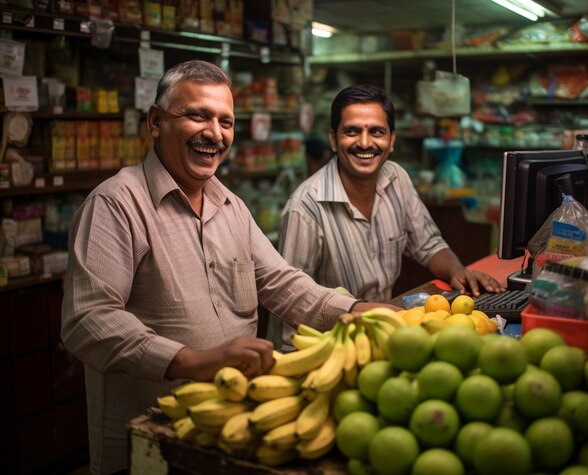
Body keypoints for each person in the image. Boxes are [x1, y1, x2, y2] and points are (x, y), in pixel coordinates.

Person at [61, 62, 398, 475]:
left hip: (230, 429)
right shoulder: (116, 204)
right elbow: (87, 319)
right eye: (198, 115)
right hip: (149, 440)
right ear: (155, 121)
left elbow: (281, 281)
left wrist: (354, 310)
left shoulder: (230, 205)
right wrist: (193, 361)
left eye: (226, 121)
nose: (215, 134)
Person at [270, 84, 504, 350]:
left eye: (377, 132)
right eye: (352, 131)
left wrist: (458, 271)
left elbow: (428, 245)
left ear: (391, 140)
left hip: (387, 333)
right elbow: (289, 309)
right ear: (334, 140)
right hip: (334, 346)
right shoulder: (305, 208)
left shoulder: (396, 178)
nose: (365, 143)